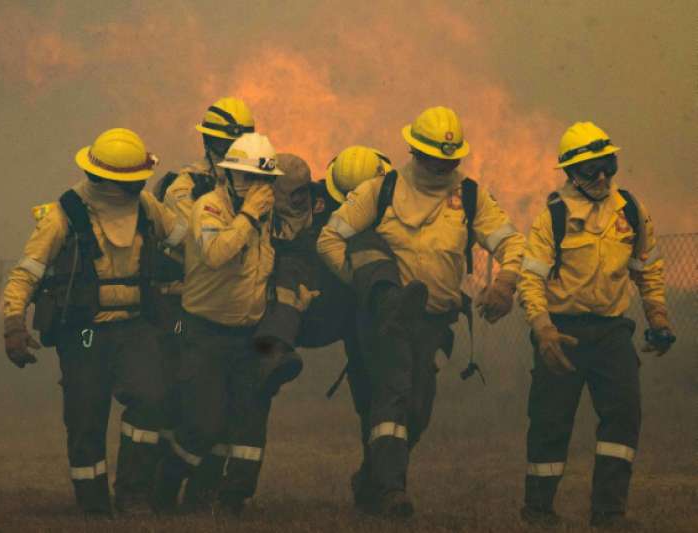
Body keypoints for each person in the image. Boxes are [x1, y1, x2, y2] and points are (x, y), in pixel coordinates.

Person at [318, 106, 525, 517]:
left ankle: (370, 477)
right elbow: (330, 239)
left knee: (418, 409)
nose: (445, 166)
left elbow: (511, 243)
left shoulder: (469, 196)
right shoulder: (382, 190)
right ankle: (393, 492)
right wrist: (364, 287)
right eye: (437, 158)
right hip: (385, 318)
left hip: (434, 320)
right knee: (393, 393)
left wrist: (505, 283)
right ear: (415, 150)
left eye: (452, 159)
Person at [2, 128, 179, 517]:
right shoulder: (64, 213)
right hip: (84, 331)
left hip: (135, 327)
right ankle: (93, 506)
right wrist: (14, 323)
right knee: (86, 418)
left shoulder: (148, 206)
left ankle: (134, 495)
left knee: (151, 401)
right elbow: (25, 275)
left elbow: (186, 240)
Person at [517, 121, 675, 529]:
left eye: (609, 164)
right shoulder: (553, 215)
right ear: (571, 173)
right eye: (591, 169)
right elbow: (530, 278)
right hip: (562, 333)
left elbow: (648, 269)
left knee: (623, 416)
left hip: (611, 333)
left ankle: (609, 513)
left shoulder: (631, 211)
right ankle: (537, 511)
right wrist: (542, 329)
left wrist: (657, 316)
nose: (602, 176)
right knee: (551, 422)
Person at [155, 132, 282, 517]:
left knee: (239, 423)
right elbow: (215, 254)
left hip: (247, 335)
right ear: (227, 176)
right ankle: (164, 486)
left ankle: (215, 499)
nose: (255, 188)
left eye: (263, 180)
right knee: (202, 424)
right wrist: (247, 216)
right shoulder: (208, 207)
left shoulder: (267, 216)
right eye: (245, 178)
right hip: (204, 333)